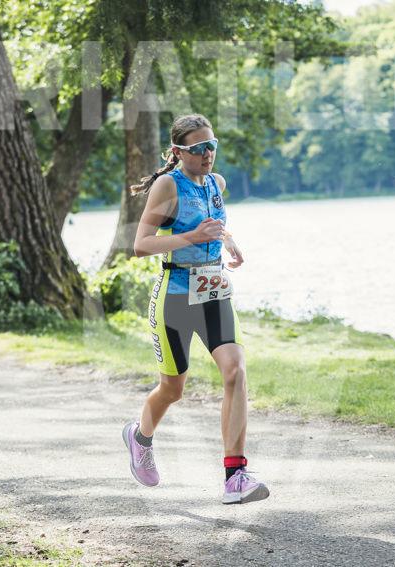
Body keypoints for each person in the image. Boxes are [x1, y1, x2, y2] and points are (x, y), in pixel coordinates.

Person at [121, 114, 269, 505]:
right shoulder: (168, 186)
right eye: (199, 148)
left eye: (212, 145)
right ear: (178, 151)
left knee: (235, 371)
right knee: (173, 389)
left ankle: (235, 477)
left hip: (213, 292)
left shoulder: (216, 183)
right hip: (175, 296)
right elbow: (141, 244)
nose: (208, 154)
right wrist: (191, 237)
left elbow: (212, 224)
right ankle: (140, 437)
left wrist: (228, 240)